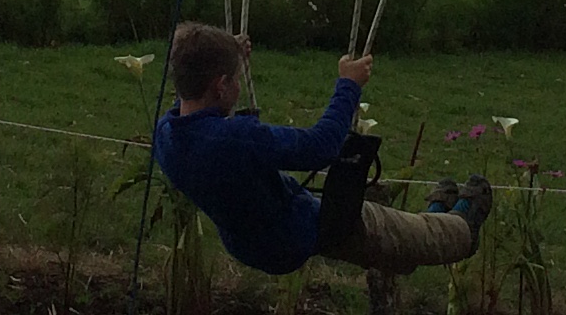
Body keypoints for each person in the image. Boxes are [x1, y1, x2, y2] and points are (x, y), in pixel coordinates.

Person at [150, 23, 487, 275]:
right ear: (221, 85)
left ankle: (437, 212)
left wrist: (228, 52)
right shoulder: (235, 139)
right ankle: (463, 224)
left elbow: (194, 81)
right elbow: (321, 146)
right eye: (235, 79)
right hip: (294, 234)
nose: (239, 85)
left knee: (388, 243)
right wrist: (348, 85)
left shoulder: (166, 134)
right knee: (392, 233)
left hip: (250, 241)